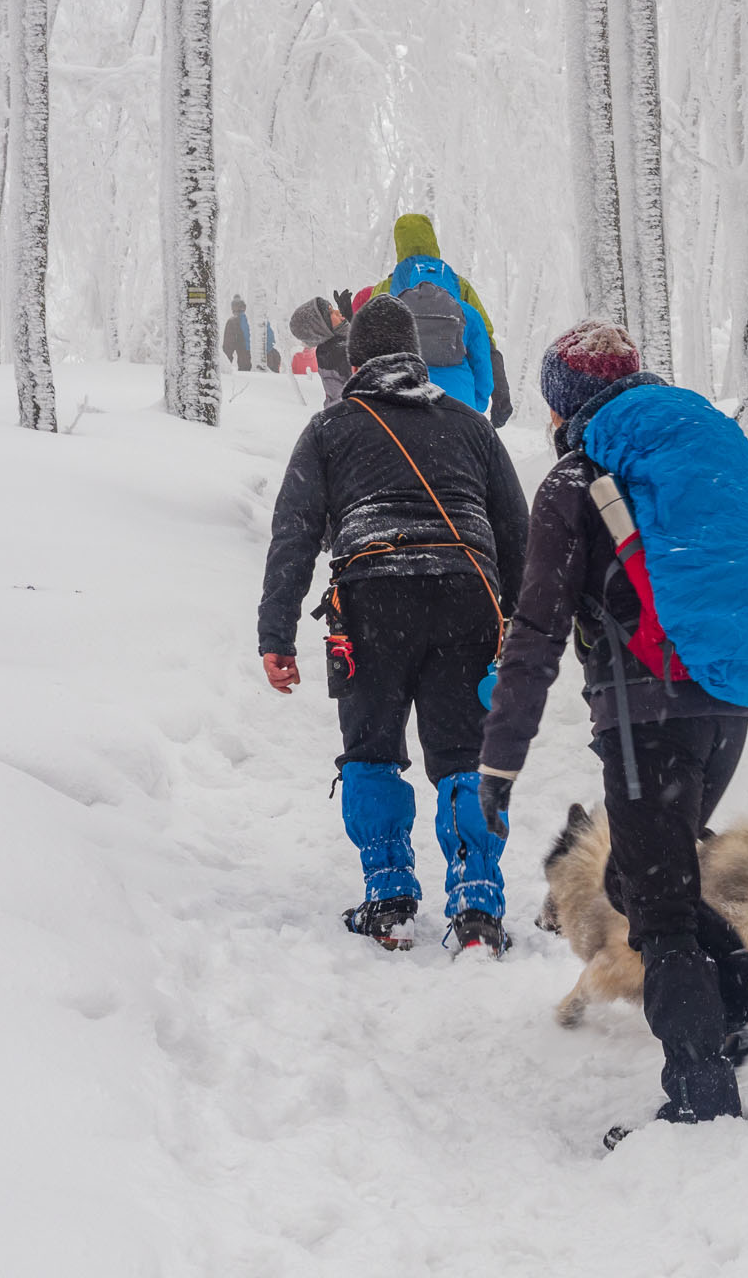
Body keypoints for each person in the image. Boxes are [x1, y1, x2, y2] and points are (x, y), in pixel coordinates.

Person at [475, 321, 748, 1131]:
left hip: (645, 720)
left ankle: (700, 1100)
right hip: (726, 706)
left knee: (660, 913)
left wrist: (500, 761)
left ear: (564, 405)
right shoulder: (690, 460)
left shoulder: (577, 480)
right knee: (635, 880)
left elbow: (536, 633)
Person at [258, 294, 529, 956]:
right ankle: (476, 908)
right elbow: (516, 532)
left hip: (371, 601)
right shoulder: (471, 426)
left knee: (372, 748)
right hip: (467, 598)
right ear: (417, 355)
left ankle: (389, 904)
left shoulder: (330, 428)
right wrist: (517, 623)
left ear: (354, 362)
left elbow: (294, 534)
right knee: (464, 755)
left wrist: (276, 635)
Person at [355, 214, 514, 428]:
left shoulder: (385, 289)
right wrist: (494, 395)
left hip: (401, 398)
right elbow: (485, 341)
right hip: (459, 399)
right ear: (433, 241)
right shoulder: (458, 285)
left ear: (398, 245)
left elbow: (369, 345)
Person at [288, 296, 352, 405]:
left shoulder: (333, 346)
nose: (337, 311)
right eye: (331, 312)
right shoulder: (336, 353)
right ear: (321, 327)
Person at [222, 295, 253, 371]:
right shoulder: (245, 319)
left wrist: (226, 362)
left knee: (228, 350)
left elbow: (228, 345)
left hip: (241, 345)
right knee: (245, 364)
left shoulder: (232, 321)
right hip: (246, 349)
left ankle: (226, 367)